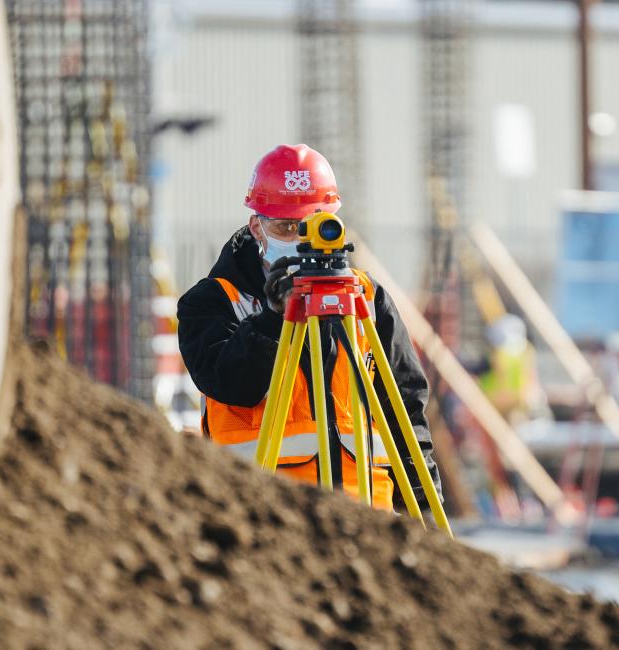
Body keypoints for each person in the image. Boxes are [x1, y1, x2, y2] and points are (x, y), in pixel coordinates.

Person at [177, 143, 442, 512]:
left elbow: (405, 407)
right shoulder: (214, 301)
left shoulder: (365, 297)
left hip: (367, 518)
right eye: (286, 226)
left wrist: (424, 507)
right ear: (257, 227)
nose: (300, 239)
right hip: (267, 519)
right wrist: (275, 317)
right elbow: (232, 383)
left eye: (311, 225)